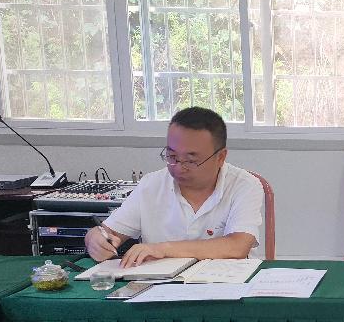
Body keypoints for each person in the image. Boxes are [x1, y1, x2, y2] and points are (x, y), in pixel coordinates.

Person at [83, 106, 264, 268]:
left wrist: (163, 249)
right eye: (172, 156)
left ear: (220, 157)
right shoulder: (151, 185)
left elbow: (237, 246)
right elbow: (108, 232)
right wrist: (95, 240)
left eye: (191, 160)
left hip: (225, 285)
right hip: (157, 286)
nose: (178, 167)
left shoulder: (245, 185)